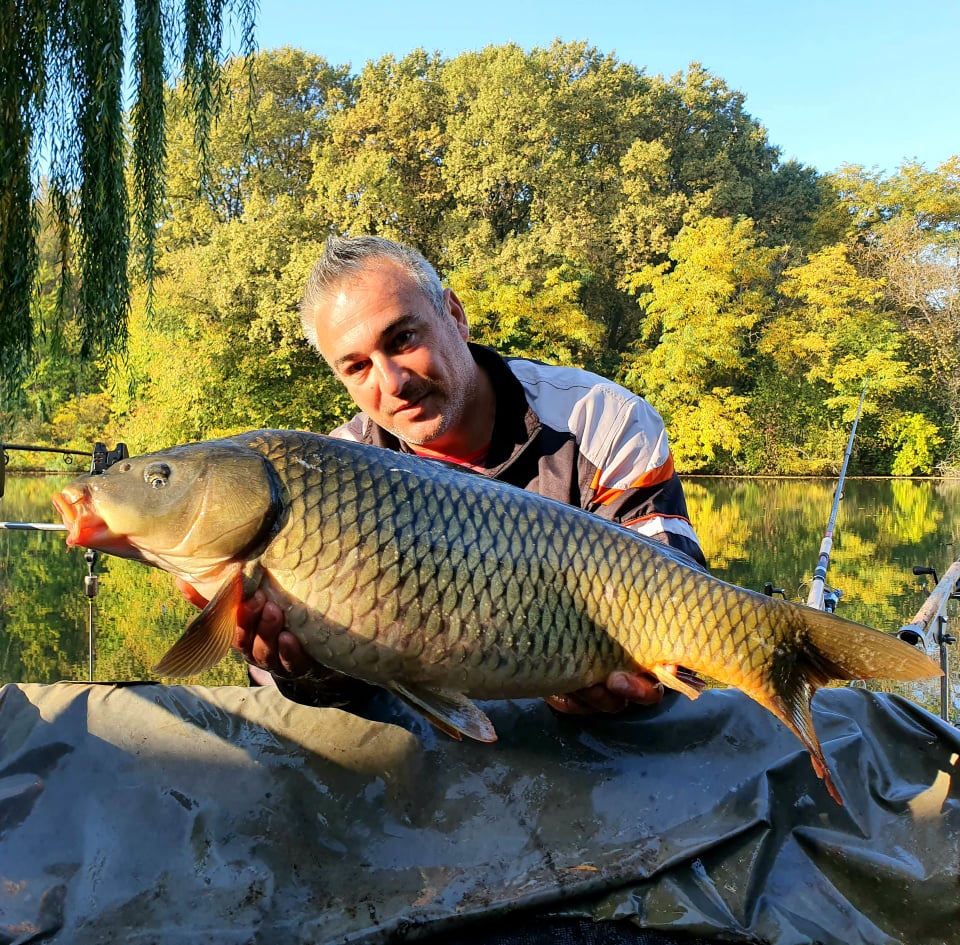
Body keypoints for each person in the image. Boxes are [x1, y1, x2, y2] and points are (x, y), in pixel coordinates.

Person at [191, 234, 706, 716]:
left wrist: (641, 681)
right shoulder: (327, 476)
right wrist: (302, 672)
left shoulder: (600, 420)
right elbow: (345, 693)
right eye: (357, 367)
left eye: (403, 338)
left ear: (455, 316)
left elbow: (685, 612)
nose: (391, 382)